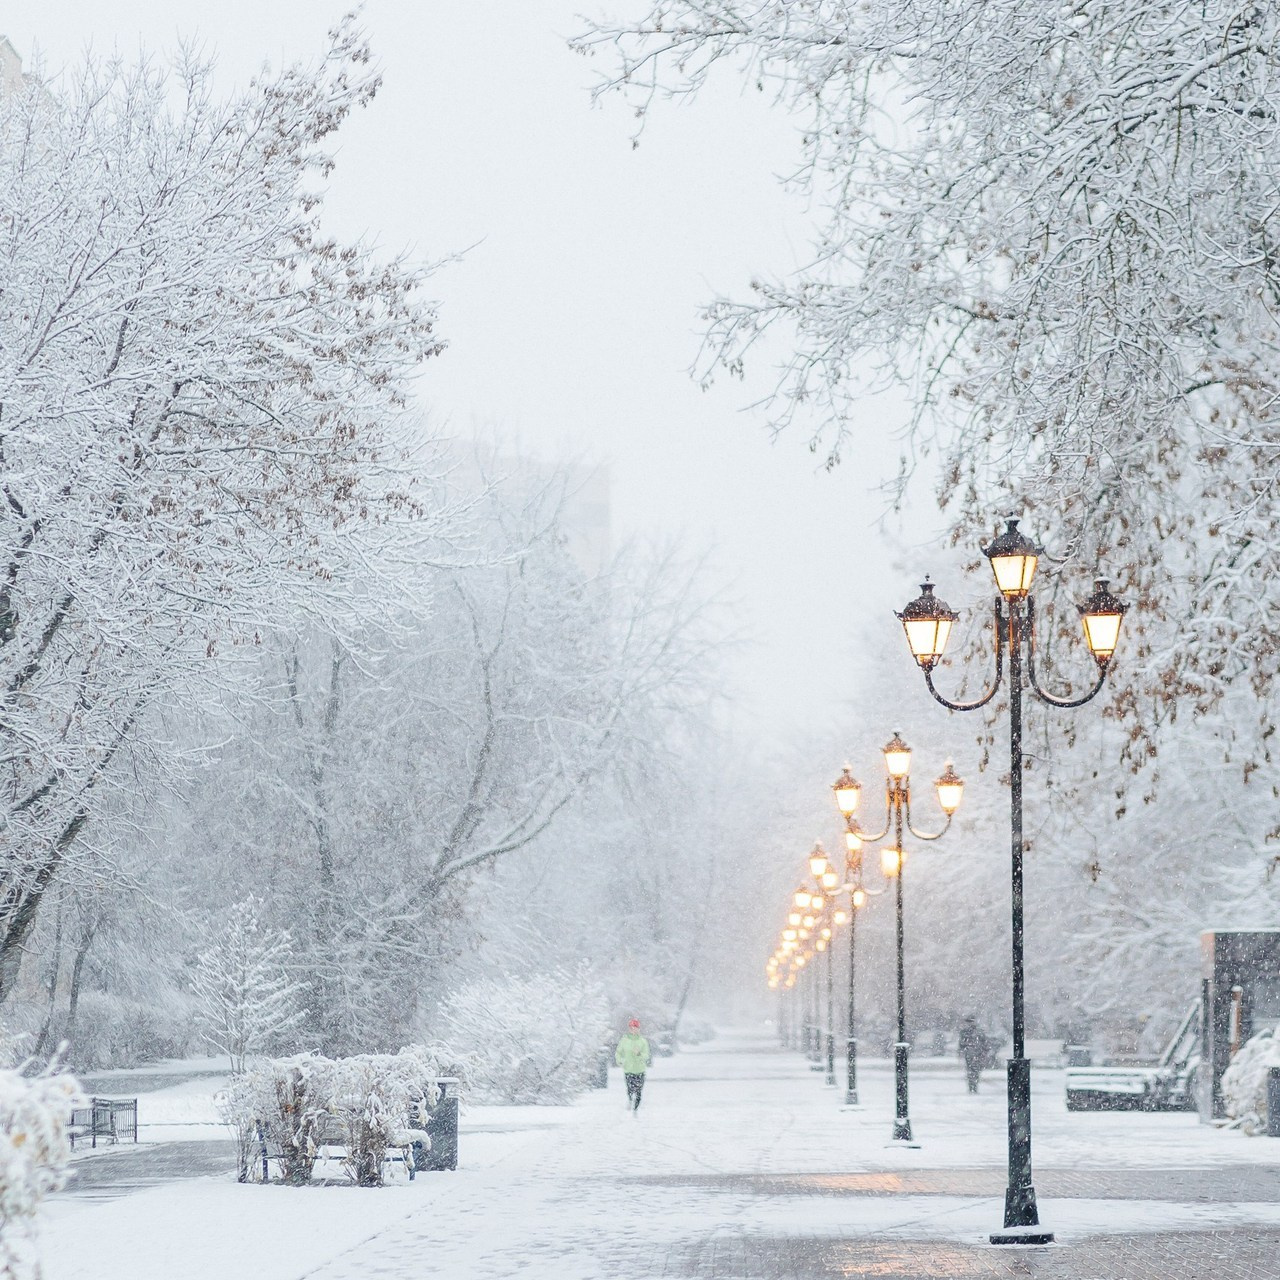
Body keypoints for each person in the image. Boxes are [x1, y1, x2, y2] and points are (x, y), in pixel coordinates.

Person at [615, 1018, 652, 1112]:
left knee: (639, 1090)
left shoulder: (643, 1041)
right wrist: (620, 1060)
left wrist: (639, 1054)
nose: (633, 1030)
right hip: (628, 1069)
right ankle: (630, 1101)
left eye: (635, 1028)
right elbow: (618, 1052)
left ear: (638, 1029)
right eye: (631, 1028)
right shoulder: (624, 1040)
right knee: (630, 1089)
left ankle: (636, 1108)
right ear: (629, 1029)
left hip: (640, 1070)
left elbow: (646, 1056)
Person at [958, 1016, 988, 1094]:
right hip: (971, 1054)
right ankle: (972, 1086)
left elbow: (984, 1042)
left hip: (975, 1053)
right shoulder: (967, 1032)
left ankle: (973, 1086)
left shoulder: (977, 1032)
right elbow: (961, 1043)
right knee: (972, 1070)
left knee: (974, 1070)